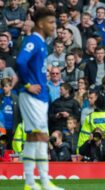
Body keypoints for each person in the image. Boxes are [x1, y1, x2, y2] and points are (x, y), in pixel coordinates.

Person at [16, 8, 64, 190]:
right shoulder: (34, 41)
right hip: (32, 96)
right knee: (42, 136)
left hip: (39, 97)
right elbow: (20, 61)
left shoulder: (42, 43)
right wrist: (28, 84)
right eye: (51, 22)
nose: (54, 26)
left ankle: (29, 182)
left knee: (32, 137)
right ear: (40, 23)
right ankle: (45, 181)